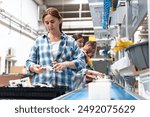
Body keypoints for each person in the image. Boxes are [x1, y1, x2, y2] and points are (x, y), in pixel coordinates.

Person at [26, 7, 86, 91]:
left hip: (65, 88)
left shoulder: (71, 42)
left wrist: (66, 64)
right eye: (46, 23)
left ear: (60, 20)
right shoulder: (39, 41)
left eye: (52, 22)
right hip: (41, 88)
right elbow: (29, 62)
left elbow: (82, 62)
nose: (50, 25)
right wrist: (33, 67)